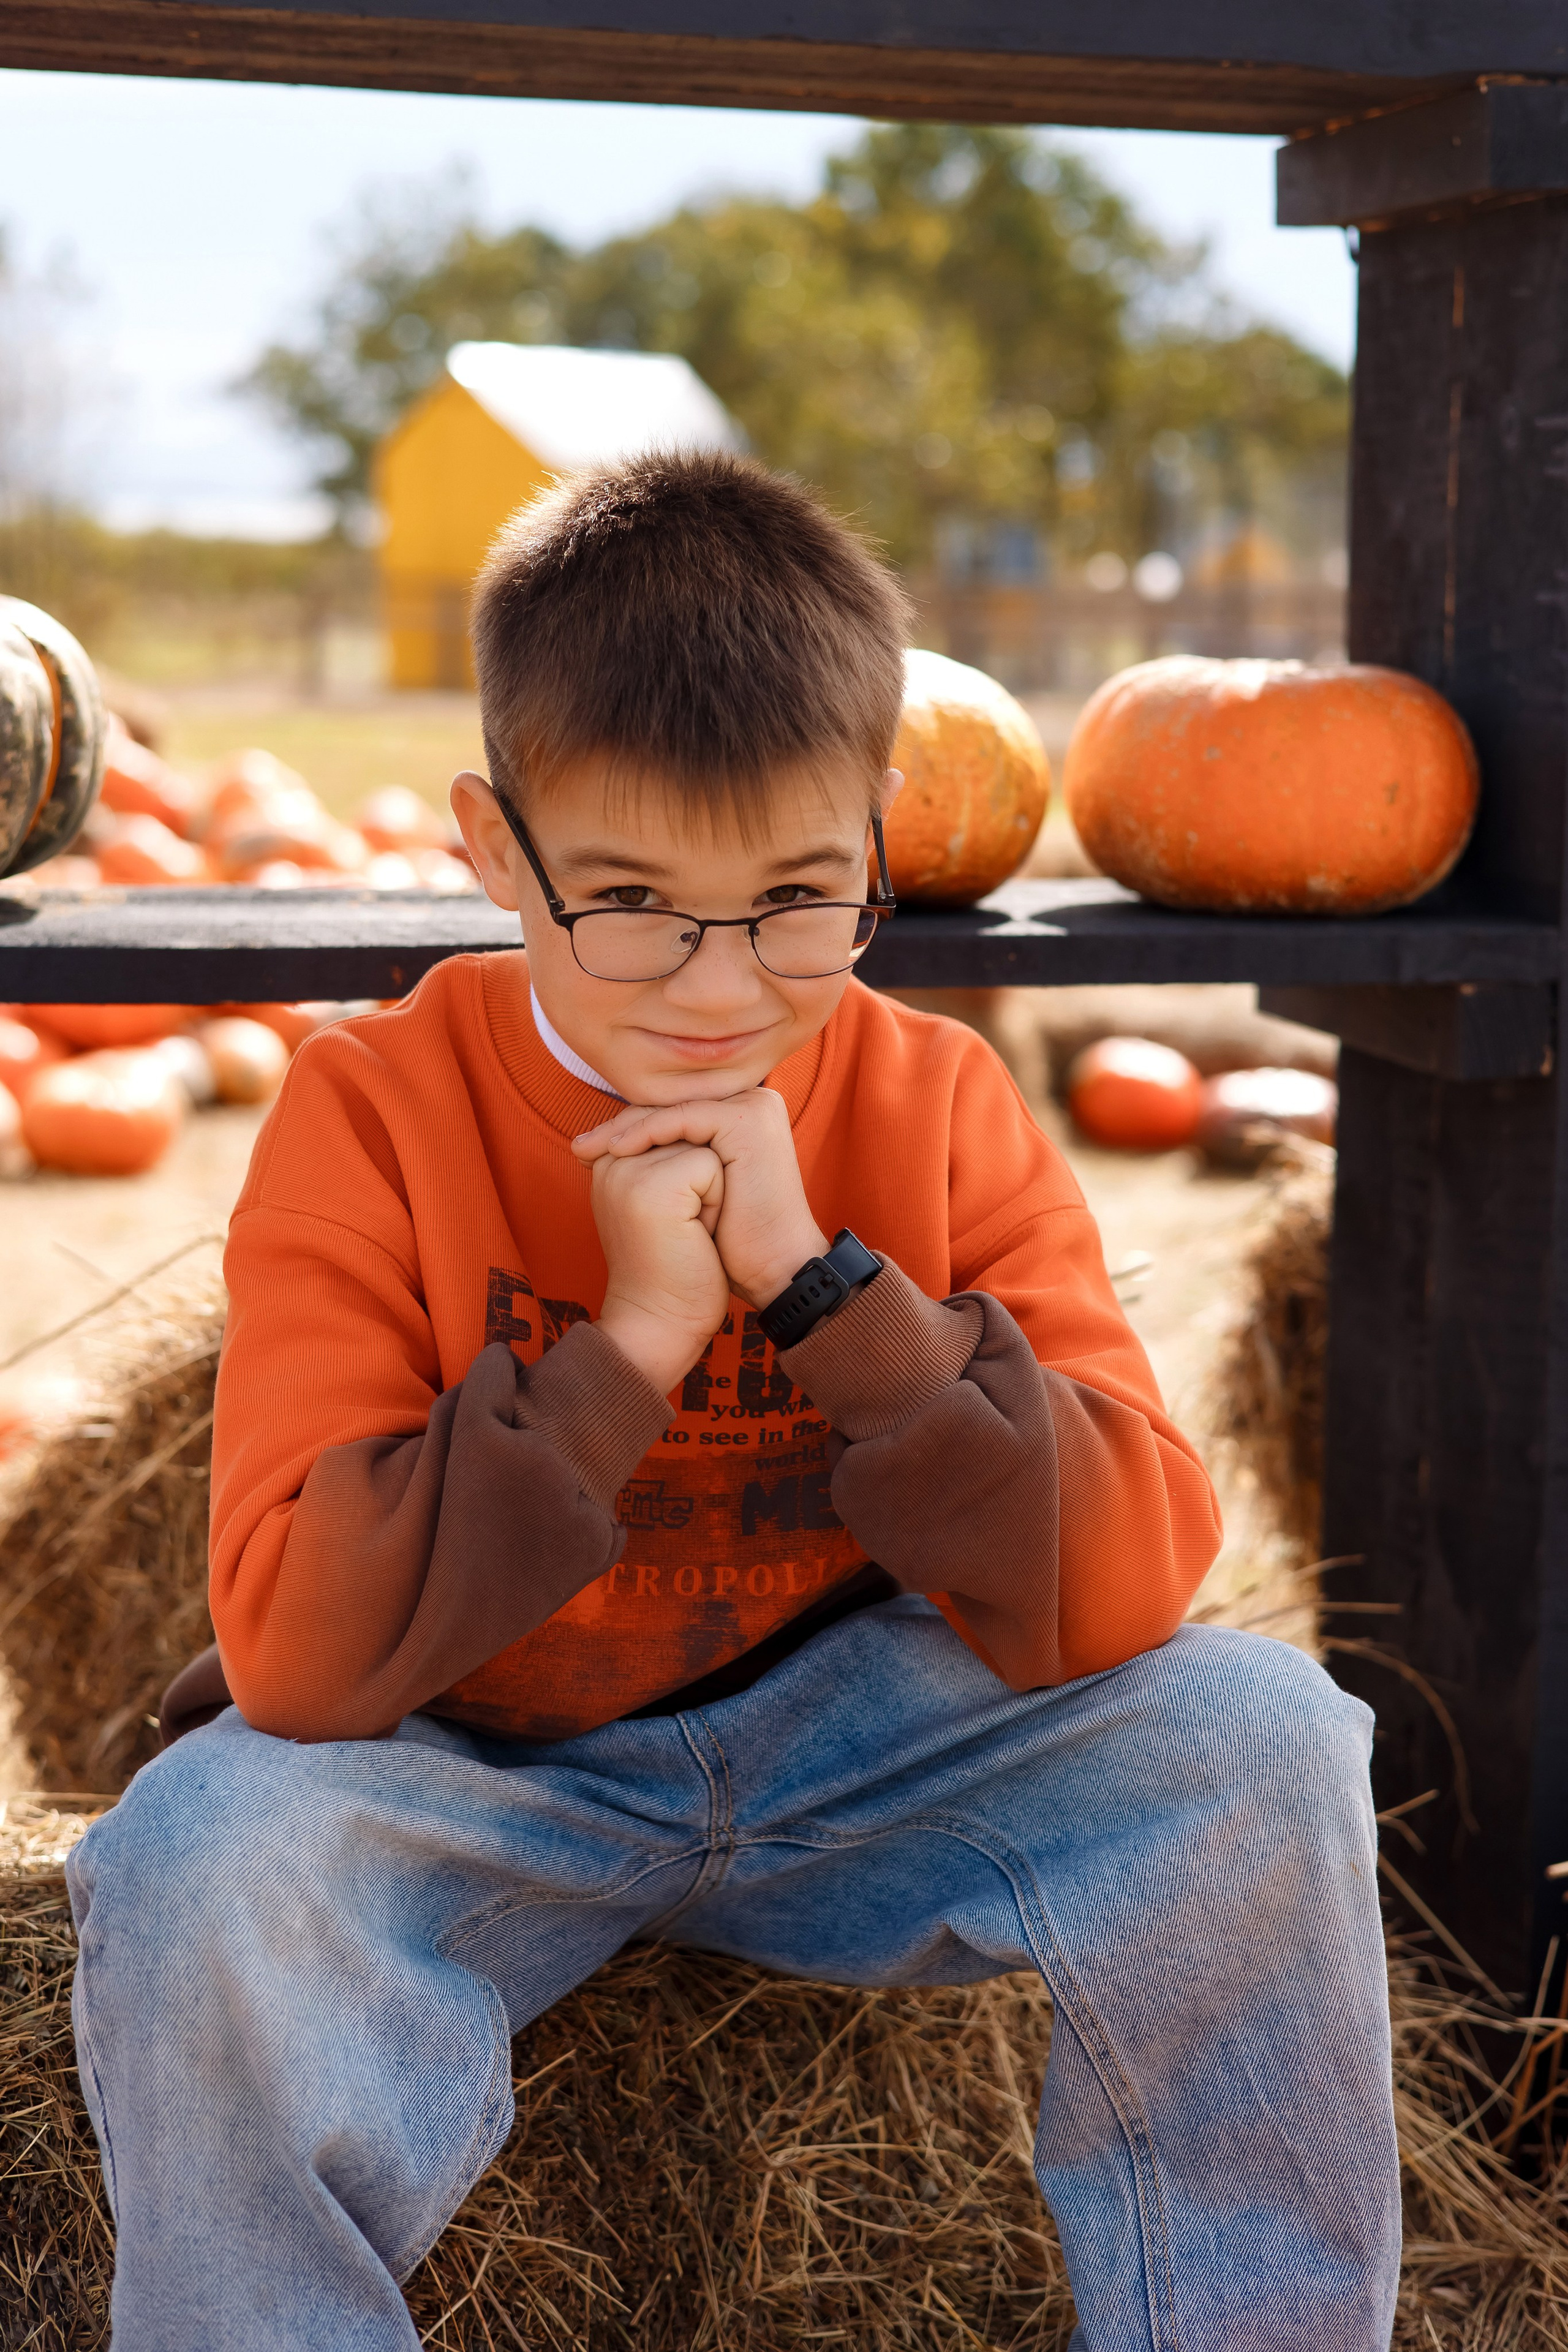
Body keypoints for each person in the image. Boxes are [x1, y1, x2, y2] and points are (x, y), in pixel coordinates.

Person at [66, 450, 1399, 2350]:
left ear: (876, 836)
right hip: (476, 1771)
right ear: (493, 850)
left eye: (796, 898)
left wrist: (823, 1294)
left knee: (1266, 1738)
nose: (718, 989)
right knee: (195, 1858)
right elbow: (295, 1654)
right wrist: (626, 1353)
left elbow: (1121, 1589)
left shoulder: (935, 1099)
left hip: (870, 1753)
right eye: (629, 901)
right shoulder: (369, 1111)